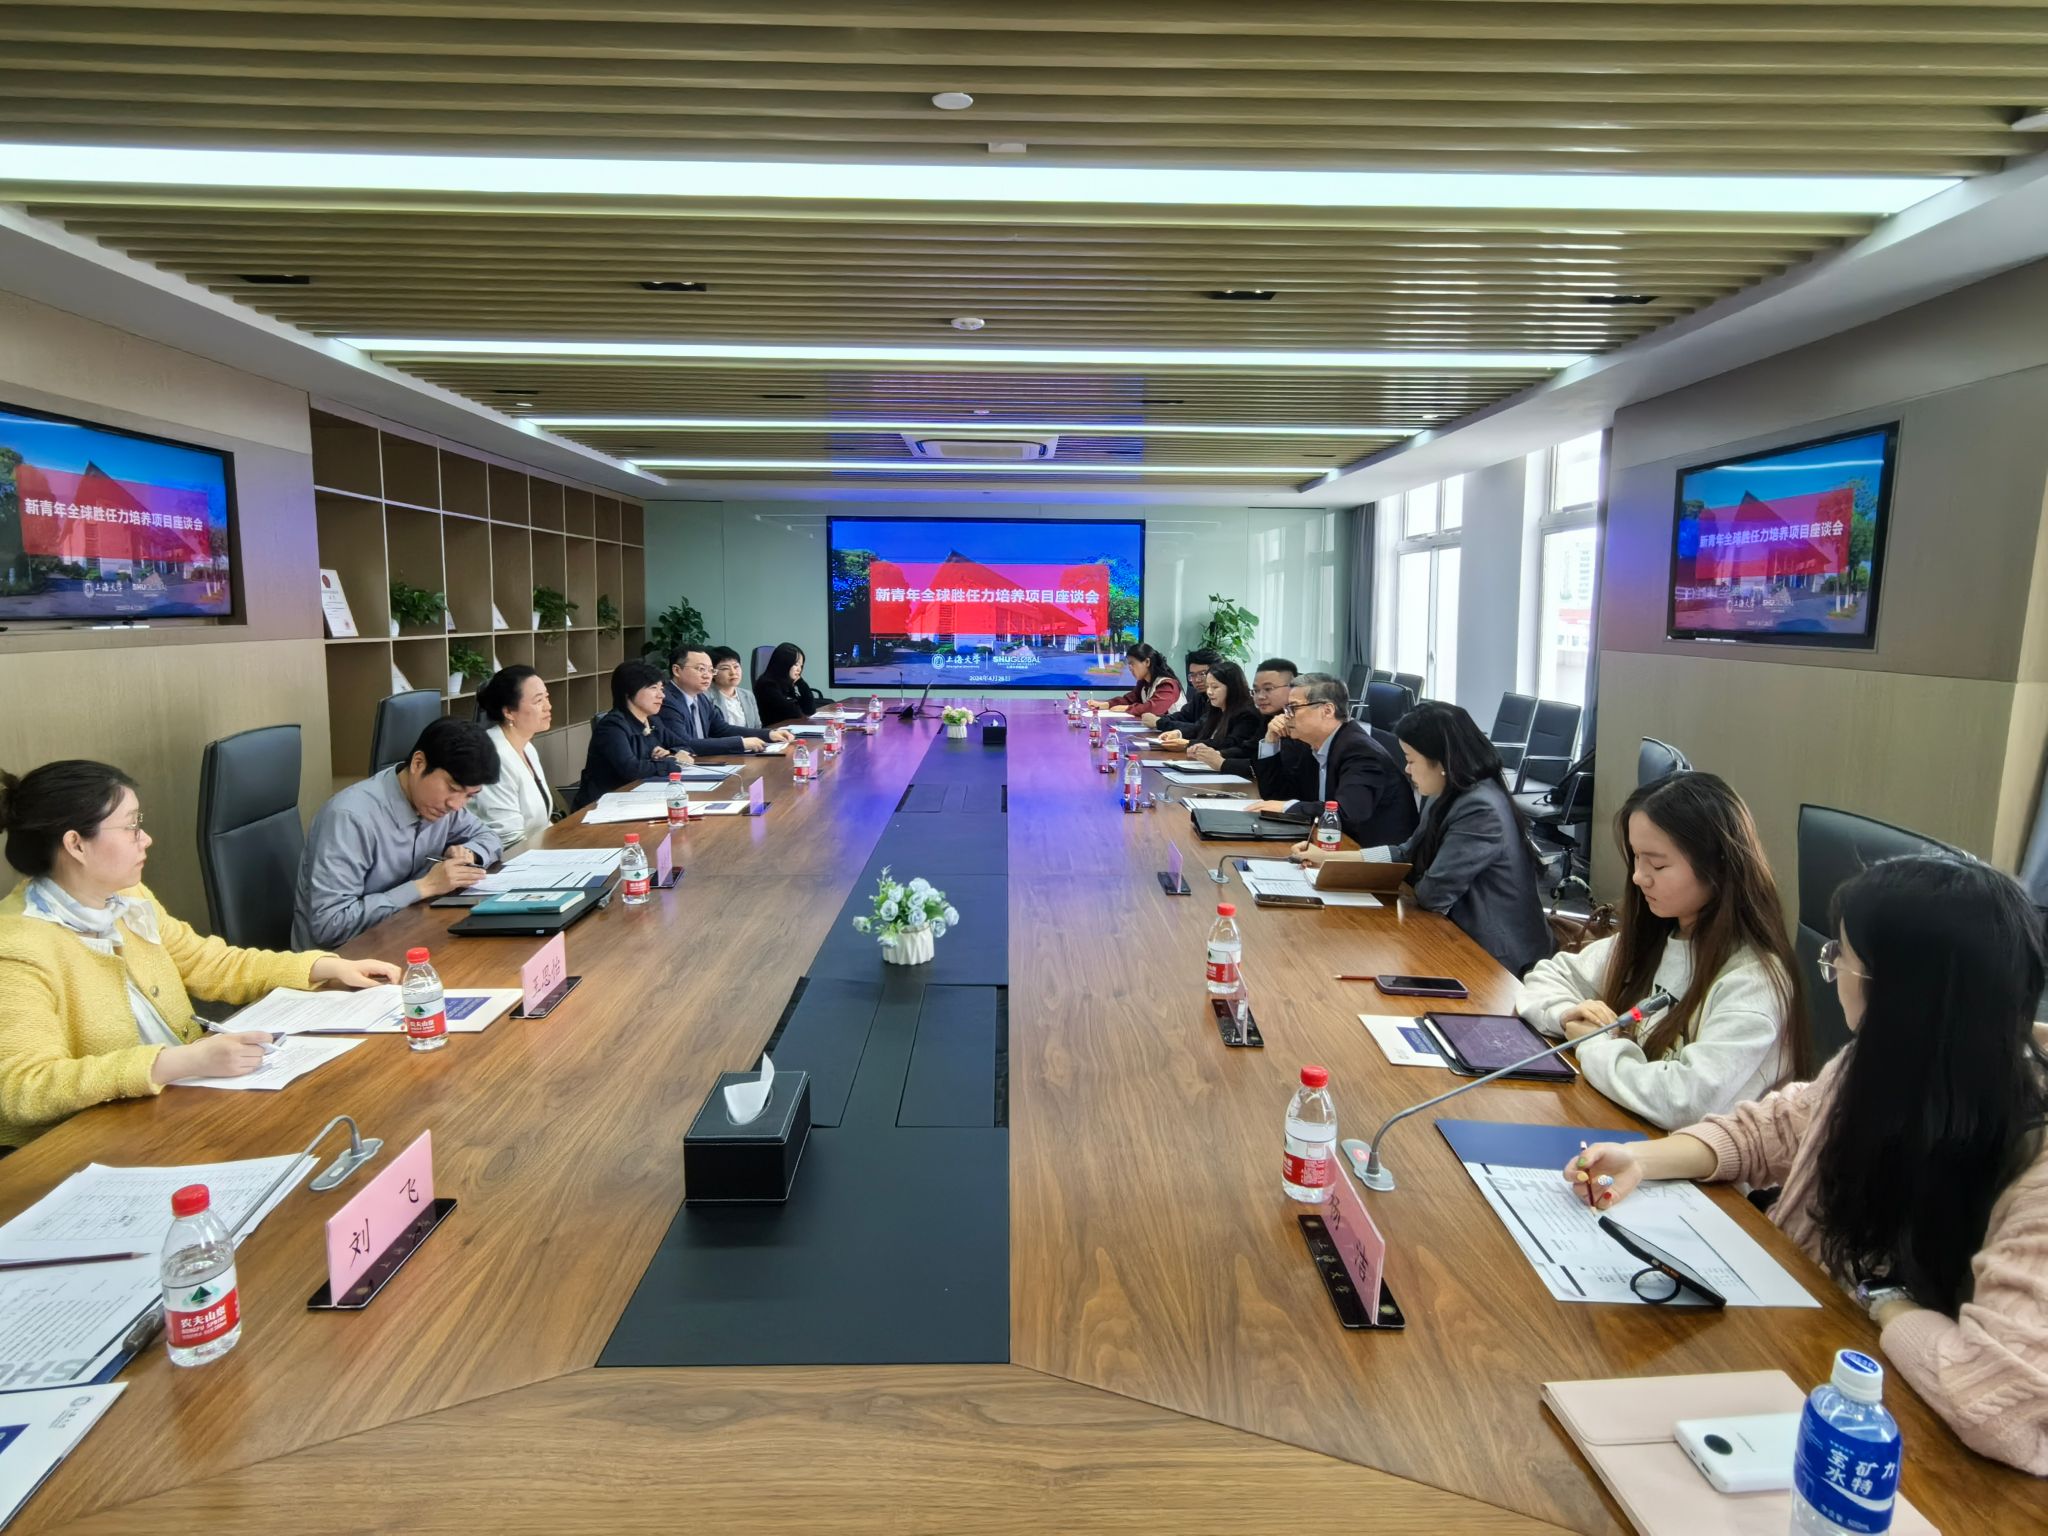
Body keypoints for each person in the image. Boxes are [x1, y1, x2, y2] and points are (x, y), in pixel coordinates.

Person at [1566, 856, 2048, 1475]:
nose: (1832, 970)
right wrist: (1640, 1158)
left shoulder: (2034, 1159)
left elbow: (2000, 1402)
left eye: (1840, 957)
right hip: (1828, 1367)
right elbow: (1768, 1131)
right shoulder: (1884, 1066)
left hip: (1939, 1463)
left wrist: (1882, 1298)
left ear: (1897, 990)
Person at [0, 760, 398, 1148]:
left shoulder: (126, 897)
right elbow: (24, 1088)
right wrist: (179, 1062)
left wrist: (322, 965)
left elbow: (210, 964)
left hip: (177, 1104)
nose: (146, 839)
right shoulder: (16, 947)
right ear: (76, 844)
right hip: (87, 1146)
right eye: (132, 826)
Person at [1515, 772, 1806, 1130]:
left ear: (1718, 866)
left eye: (1657, 864)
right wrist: (1566, 1014)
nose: (1639, 877)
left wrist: (1591, 1042)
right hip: (1626, 1129)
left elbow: (1683, 1101)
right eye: (1636, 858)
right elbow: (1548, 975)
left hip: (1691, 1161)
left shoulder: (1753, 982)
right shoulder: (1659, 937)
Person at [1296, 702, 1553, 977]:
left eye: (1410, 760)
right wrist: (1329, 858)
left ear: (1441, 762)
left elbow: (1433, 894)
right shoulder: (1448, 791)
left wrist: (1410, 875)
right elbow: (1407, 852)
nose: (1407, 770)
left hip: (1494, 957)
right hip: (1453, 930)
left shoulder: (1481, 808)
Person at [295, 717, 507, 950]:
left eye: (469, 796)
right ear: (418, 763)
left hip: (406, 937)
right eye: (453, 788)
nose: (456, 805)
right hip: (342, 959)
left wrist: (469, 854)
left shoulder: (441, 806)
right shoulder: (350, 818)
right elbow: (329, 926)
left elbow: (489, 837)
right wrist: (424, 887)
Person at [1248, 672, 1417, 848]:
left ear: (1327, 710)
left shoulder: (1361, 753)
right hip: (1330, 843)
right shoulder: (1313, 745)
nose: (1285, 716)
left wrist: (1286, 808)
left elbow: (1347, 813)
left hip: (1367, 854)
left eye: (1293, 708)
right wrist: (1271, 742)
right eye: (1286, 709)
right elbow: (1276, 796)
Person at [472, 665, 559, 849]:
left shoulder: (527, 748)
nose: (548, 706)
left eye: (547, 697)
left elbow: (541, 824)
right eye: (538, 701)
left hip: (536, 852)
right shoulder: (494, 756)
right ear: (509, 712)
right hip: (509, 859)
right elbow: (508, 840)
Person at [577, 659, 682, 808]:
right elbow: (631, 769)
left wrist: (671, 753)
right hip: (605, 805)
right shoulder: (612, 726)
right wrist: (671, 761)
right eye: (653, 688)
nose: (661, 695)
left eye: (662, 689)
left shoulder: (652, 721)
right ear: (628, 691)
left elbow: (682, 744)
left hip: (640, 797)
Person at [658, 646, 787, 756]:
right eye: (701, 669)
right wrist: (740, 743)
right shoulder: (666, 700)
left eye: (710, 670)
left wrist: (769, 734)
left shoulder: (700, 697)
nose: (707, 675)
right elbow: (684, 743)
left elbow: (722, 729)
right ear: (677, 670)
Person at [1189, 657, 1294, 776]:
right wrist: (1217, 754)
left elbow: (1273, 770)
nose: (1260, 696)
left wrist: (1222, 763)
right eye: (1256, 690)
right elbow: (1249, 749)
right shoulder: (1268, 717)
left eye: (1268, 689)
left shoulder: (1250, 713)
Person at [1165, 659, 1263, 763]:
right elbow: (1199, 728)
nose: (1209, 692)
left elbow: (1230, 743)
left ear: (1232, 688)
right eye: (1208, 687)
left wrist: (1188, 743)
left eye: (1215, 687)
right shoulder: (1217, 707)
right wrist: (1178, 734)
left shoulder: (1247, 713)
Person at [754, 642, 835, 726]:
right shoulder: (767, 685)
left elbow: (809, 710)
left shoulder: (785, 683)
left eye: (801, 666)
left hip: (788, 727)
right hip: (774, 730)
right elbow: (793, 713)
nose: (799, 669)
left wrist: (800, 682)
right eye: (796, 664)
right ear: (783, 663)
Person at [1142, 648, 1217, 733]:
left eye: (1202, 674)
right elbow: (1183, 716)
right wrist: (1159, 720)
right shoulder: (1200, 696)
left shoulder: (1220, 700)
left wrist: (1159, 723)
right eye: (1192, 675)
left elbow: (1200, 729)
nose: (1197, 680)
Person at [1099, 642, 1180, 720]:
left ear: (1147, 662)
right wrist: (1107, 704)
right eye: (1129, 664)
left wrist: (1127, 708)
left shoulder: (1168, 684)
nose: (1130, 668)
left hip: (1175, 728)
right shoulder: (1143, 684)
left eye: (1132, 663)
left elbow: (1154, 709)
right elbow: (1128, 700)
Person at [707, 646, 765, 733]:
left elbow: (757, 727)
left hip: (752, 741)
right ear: (713, 672)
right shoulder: (705, 697)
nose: (733, 672)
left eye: (736, 667)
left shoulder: (747, 695)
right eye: (725, 668)